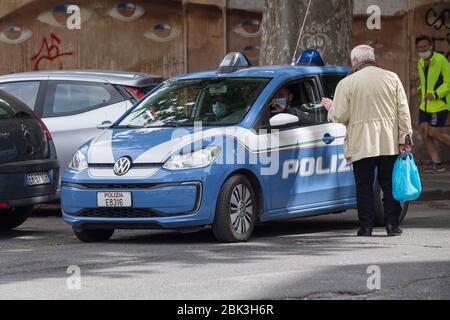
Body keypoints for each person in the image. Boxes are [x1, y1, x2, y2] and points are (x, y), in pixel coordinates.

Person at [321, 45, 413, 237]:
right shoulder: (392, 78)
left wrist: (331, 107)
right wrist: (405, 139)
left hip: (361, 143)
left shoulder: (347, 83)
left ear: (355, 61)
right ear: (372, 58)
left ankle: (366, 227)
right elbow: (404, 112)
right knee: (388, 185)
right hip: (388, 142)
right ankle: (392, 226)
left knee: (363, 186)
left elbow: (339, 115)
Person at [416, 35, 450, 172]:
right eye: (420, 48)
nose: (422, 49)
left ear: (430, 46)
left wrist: (435, 94)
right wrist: (419, 91)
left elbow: (448, 82)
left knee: (434, 132)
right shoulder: (420, 62)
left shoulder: (440, 60)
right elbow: (424, 83)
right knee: (424, 133)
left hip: (439, 104)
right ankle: (437, 163)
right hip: (425, 105)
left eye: (425, 46)